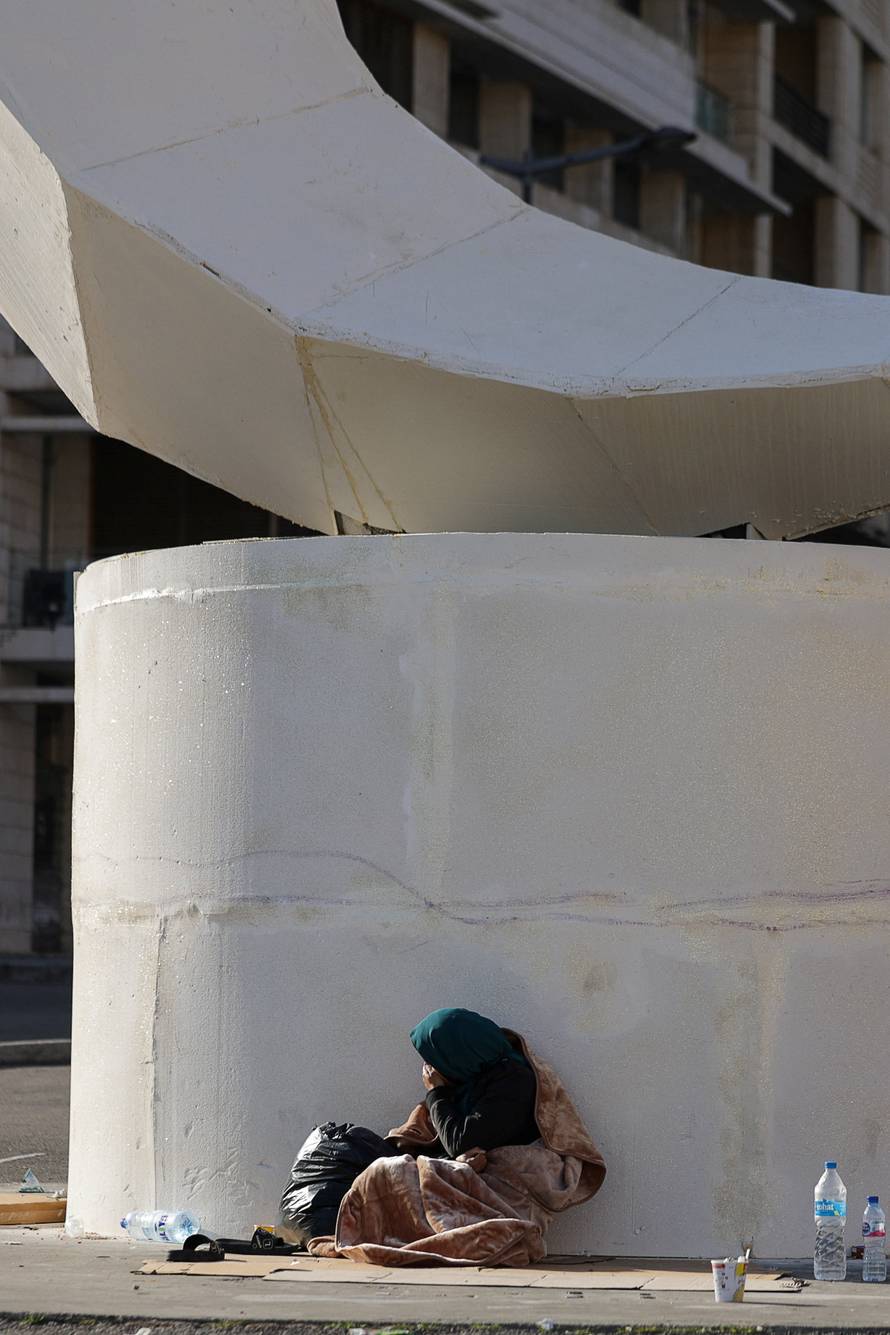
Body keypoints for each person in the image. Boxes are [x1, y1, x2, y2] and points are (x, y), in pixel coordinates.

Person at [409, 1006, 540, 1170]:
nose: (430, 1068)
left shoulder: (514, 1083)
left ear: (456, 1054)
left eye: (434, 1059)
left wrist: (436, 1093)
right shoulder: (474, 1080)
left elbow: (459, 1144)